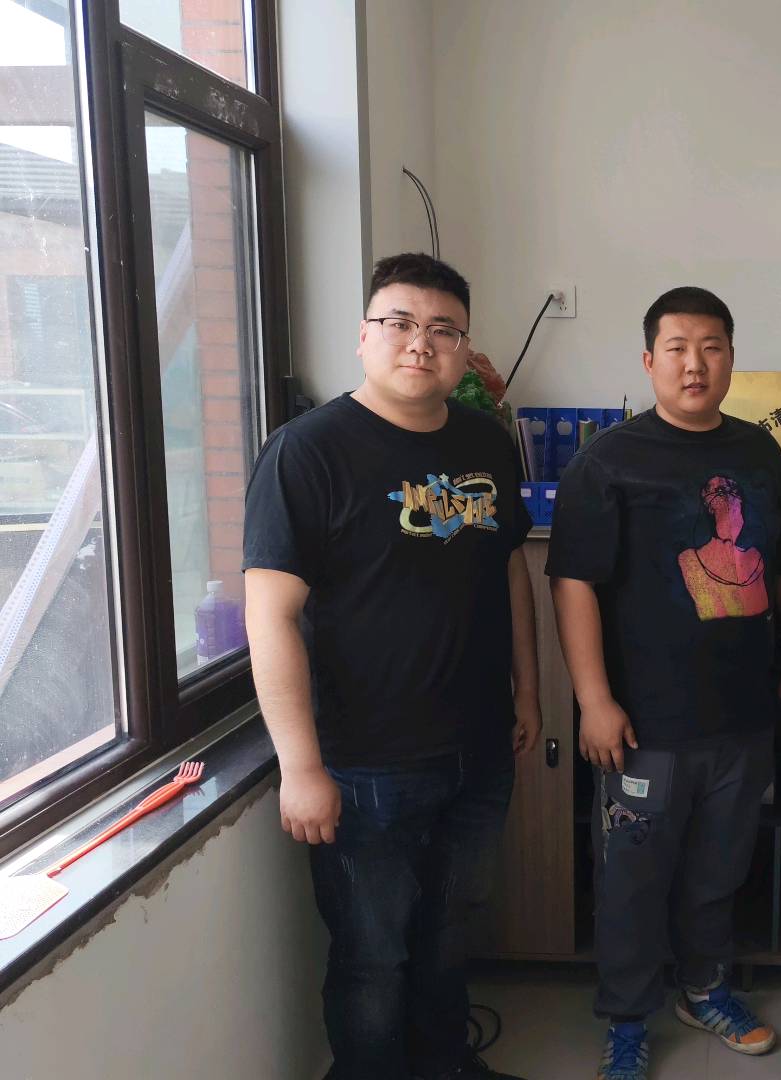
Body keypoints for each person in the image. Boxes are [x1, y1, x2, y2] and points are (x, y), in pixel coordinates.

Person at [243, 253, 538, 1080]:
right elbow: (269, 614)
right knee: (373, 957)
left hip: (479, 747)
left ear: (464, 350)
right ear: (364, 335)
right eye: (400, 323)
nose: (421, 343)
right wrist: (301, 767)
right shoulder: (307, 452)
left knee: (449, 936)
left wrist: (530, 690)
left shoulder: (486, 441)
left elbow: (509, 571)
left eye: (444, 329)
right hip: (366, 761)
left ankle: (447, 1065)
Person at [546, 287, 781, 1080]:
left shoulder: (759, 453)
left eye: (712, 347)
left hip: (742, 714)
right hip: (645, 724)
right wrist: (595, 701)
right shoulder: (609, 461)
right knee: (632, 880)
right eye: (677, 348)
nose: (695, 364)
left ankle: (705, 988)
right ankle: (628, 1018)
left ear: (731, 358)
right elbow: (572, 582)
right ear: (649, 361)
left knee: (718, 869)